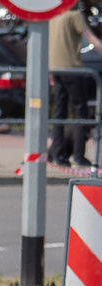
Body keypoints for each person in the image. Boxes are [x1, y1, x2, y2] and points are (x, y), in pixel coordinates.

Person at [48, 2, 102, 169]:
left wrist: (49, 68)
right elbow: (90, 37)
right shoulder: (75, 16)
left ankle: (57, 154)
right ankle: (78, 155)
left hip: (56, 69)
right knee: (81, 111)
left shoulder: (54, 17)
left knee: (59, 112)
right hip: (72, 69)